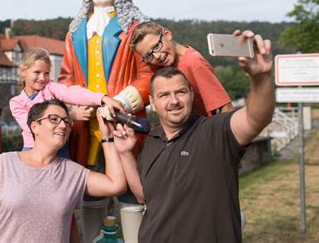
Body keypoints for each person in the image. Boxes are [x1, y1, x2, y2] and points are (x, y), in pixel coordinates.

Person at [112, 30, 274, 242]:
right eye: (164, 95)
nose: (174, 101)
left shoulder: (213, 133)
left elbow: (255, 118)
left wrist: (261, 77)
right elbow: (144, 195)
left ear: (191, 92)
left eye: (180, 92)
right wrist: (125, 154)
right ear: (152, 100)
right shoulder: (151, 142)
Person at [59, 0, 155, 241]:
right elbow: (66, 78)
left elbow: (148, 75)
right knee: (90, 187)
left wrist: (124, 101)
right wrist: (76, 106)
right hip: (87, 128)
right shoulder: (75, 31)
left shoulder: (135, 29)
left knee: (130, 188)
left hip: (123, 123)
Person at [0, 99, 126, 242]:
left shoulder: (72, 172)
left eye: (67, 121)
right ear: (34, 126)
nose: (63, 125)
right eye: (54, 119)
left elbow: (116, 185)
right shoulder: (4, 164)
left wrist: (108, 138)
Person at [10, 47, 124, 154]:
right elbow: (31, 126)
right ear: (23, 71)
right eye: (37, 72)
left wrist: (103, 98)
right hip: (33, 149)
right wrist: (70, 116)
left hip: (59, 147)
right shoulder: (16, 102)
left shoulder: (50, 87)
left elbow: (72, 94)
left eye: (46, 73)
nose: (42, 78)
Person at [130, 21, 233, 116]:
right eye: (149, 55)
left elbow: (226, 107)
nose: (157, 56)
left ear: (167, 34)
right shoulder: (162, 67)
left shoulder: (194, 62)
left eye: (157, 46)